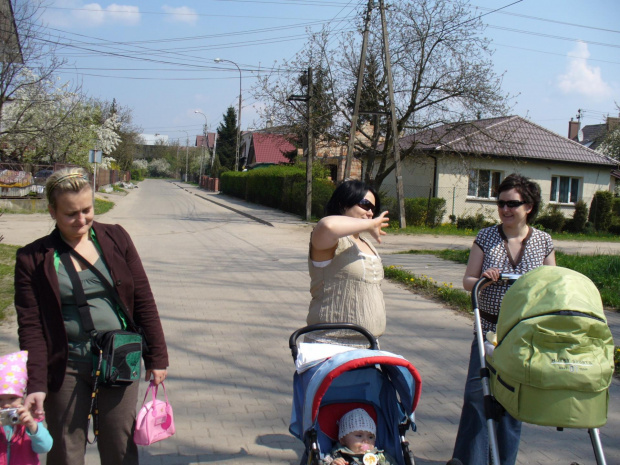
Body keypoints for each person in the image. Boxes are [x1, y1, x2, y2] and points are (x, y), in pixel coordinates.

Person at [14, 168, 169, 465]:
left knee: (119, 443)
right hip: (67, 364)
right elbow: (31, 327)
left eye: (87, 210)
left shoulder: (115, 237)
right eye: (71, 214)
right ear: (53, 212)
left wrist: (157, 357)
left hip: (121, 357)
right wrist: (35, 383)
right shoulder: (32, 259)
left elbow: (143, 300)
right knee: (64, 447)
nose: (82, 220)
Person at [450, 174, 555, 465]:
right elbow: (467, 281)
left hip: (523, 334)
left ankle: (503, 461)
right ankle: (469, 460)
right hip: (487, 331)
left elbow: (551, 286)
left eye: (513, 204)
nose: (506, 210)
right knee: (476, 397)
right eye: (501, 203)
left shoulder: (543, 241)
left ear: (529, 206)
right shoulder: (486, 237)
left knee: (513, 402)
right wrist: (483, 278)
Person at [306, 180, 390, 347]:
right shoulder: (330, 240)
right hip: (330, 345)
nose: (370, 213)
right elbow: (328, 225)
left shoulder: (367, 244)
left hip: (368, 345)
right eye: (365, 205)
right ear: (343, 204)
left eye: (374, 208)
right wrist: (369, 224)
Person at [0, 350, 52, 465]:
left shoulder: (28, 419)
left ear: (22, 398)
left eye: (12, 398)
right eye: (0, 400)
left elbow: (45, 447)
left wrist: (32, 426)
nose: (5, 404)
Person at [321, 408, 397, 465]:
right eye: (359, 436)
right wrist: (332, 463)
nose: (366, 441)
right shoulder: (336, 455)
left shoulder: (381, 457)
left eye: (370, 437)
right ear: (343, 440)